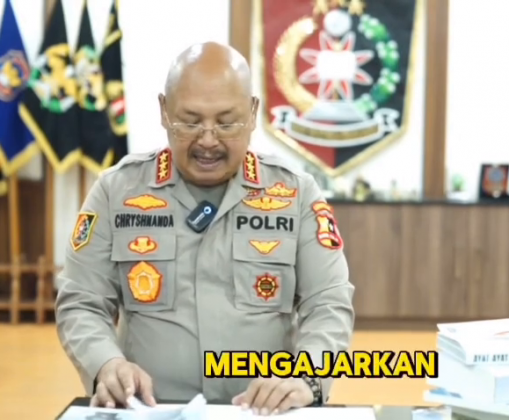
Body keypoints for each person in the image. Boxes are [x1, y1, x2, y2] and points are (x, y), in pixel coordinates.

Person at [55, 42, 355, 416]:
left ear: (253, 112)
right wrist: (105, 364)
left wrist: (306, 377)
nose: (208, 139)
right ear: (164, 111)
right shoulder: (117, 191)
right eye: (190, 121)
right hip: (151, 410)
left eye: (226, 123)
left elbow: (328, 302)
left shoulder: (295, 193)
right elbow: (81, 301)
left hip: (262, 413)